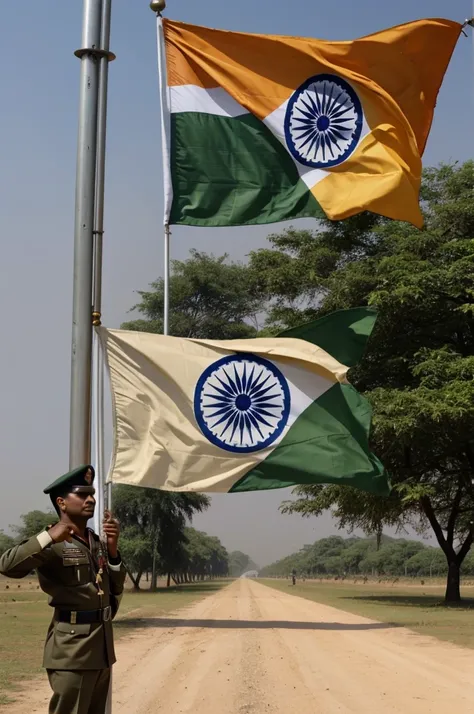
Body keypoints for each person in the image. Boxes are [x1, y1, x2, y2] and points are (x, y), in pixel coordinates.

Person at [0, 465, 126, 714]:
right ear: (62, 503)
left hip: (100, 647)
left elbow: (115, 589)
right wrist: (48, 536)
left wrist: (112, 551)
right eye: (82, 494)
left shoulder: (95, 541)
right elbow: (7, 565)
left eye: (91, 494)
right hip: (72, 649)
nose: (90, 499)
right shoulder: (52, 544)